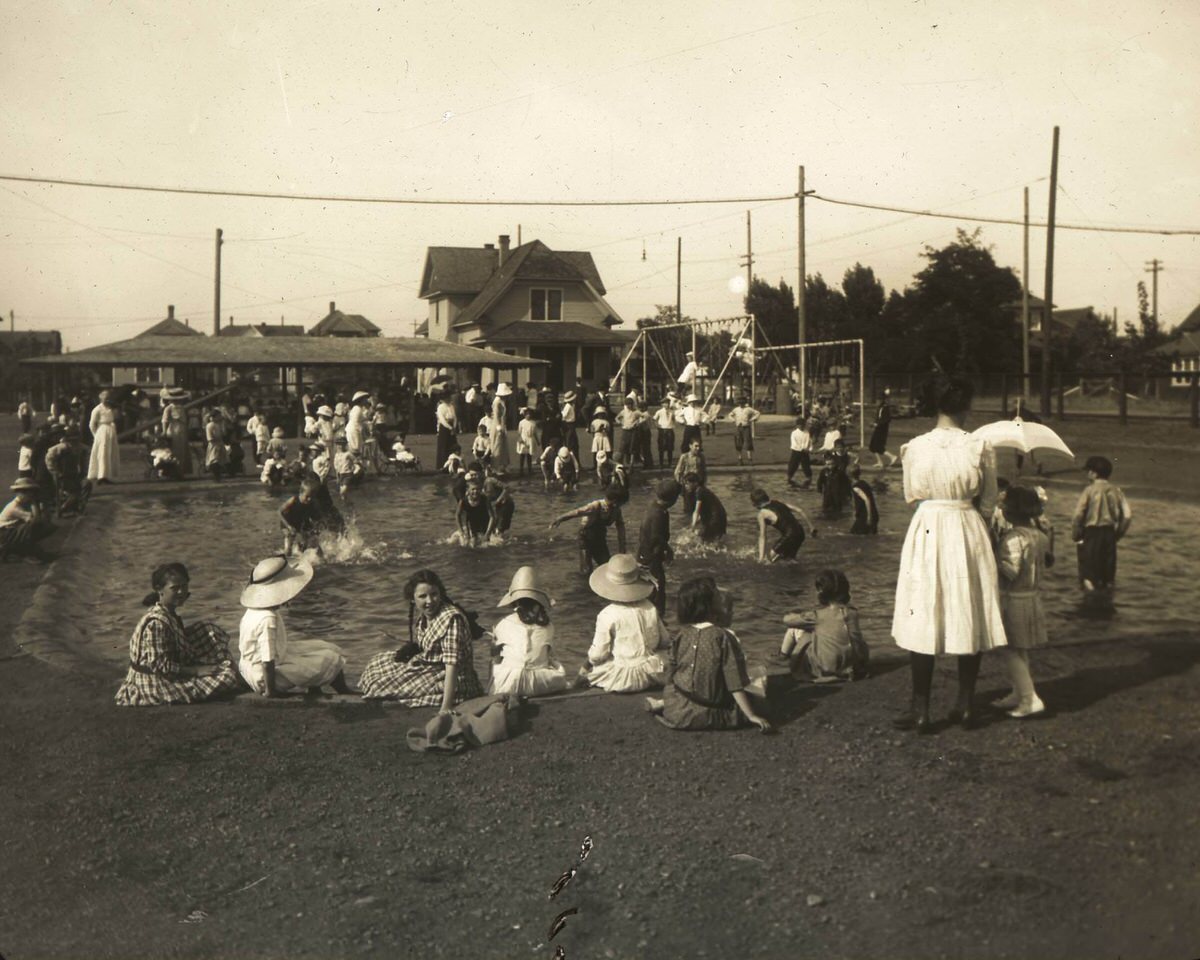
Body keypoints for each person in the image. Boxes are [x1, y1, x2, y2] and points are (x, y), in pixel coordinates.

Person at [891, 377, 1007, 734]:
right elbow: (988, 502)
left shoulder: (914, 447)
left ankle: (921, 709)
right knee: (967, 607)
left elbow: (912, 495)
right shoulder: (980, 445)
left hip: (929, 526)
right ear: (965, 406)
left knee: (923, 609)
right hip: (966, 525)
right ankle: (966, 703)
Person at [646, 575, 771, 732]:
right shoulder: (723, 636)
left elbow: (671, 672)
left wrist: (669, 699)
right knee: (760, 693)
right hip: (709, 712)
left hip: (678, 711)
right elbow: (734, 683)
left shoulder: (682, 634)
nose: (720, 597)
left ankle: (662, 704)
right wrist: (751, 715)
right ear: (708, 606)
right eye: (717, 596)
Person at [114, 563, 241, 706]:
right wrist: (196, 671)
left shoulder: (167, 612)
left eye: (184, 586)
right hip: (153, 681)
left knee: (207, 629)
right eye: (175, 588)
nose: (181, 592)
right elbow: (160, 666)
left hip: (161, 670)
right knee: (228, 676)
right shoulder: (156, 623)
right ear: (159, 590)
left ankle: (225, 668)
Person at [359, 569, 485, 707]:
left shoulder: (452, 620)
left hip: (456, 680)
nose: (430, 601)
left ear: (441, 594)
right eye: (423, 596)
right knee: (377, 663)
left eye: (434, 594)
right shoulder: (426, 616)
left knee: (380, 687)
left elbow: (452, 665)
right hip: (433, 667)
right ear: (412, 598)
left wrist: (446, 707)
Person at [238, 556, 351, 696]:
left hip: (249, 667)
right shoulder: (268, 618)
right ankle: (342, 691)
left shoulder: (253, 610)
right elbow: (267, 660)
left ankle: (316, 688)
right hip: (263, 677)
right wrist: (270, 691)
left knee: (325, 646)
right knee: (330, 657)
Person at [994, 485, 1053, 718]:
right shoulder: (1040, 536)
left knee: (1009, 649)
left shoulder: (1013, 538)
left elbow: (1010, 571)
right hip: (1032, 597)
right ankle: (1018, 692)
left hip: (1014, 599)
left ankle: (1029, 698)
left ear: (1011, 512)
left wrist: (991, 556)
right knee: (1021, 649)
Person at [579, 554, 669, 693]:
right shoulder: (650, 607)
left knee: (596, 667)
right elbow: (665, 641)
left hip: (623, 678)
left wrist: (586, 666)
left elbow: (598, 655)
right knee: (660, 655)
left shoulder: (607, 614)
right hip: (651, 674)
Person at [488, 567, 569, 697]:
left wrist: (493, 645)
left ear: (515, 601)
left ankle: (490, 694)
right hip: (540, 683)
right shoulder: (549, 626)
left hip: (509, 684)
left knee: (494, 661)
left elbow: (495, 656)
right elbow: (547, 655)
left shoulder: (503, 623)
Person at [779, 570, 869, 683]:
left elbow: (787, 620)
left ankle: (782, 658)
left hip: (827, 667)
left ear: (821, 592)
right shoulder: (853, 613)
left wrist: (798, 614)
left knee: (796, 630)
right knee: (849, 635)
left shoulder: (817, 615)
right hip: (856, 666)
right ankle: (850, 665)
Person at [1070, 455, 1132, 594]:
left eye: (1088, 471)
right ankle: (1105, 601)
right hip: (1109, 533)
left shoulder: (1089, 490)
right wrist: (1118, 535)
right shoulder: (1117, 490)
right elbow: (1127, 516)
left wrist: (1075, 533)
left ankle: (1090, 601)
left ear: (1093, 473)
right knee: (1107, 574)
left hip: (1091, 533)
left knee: (1088, 573)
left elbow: (1078, 515)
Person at [550, 487, 628, 574]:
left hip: (600, 539)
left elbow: (621, 527)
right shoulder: (596, 506)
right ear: (615, 502)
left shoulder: (616, 511)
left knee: (607, 566)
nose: (621, 505)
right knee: (586, 570)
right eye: (622, 503)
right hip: (585, 538)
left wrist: (622, 547)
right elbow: (577, 512)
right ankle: (583, 584)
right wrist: (560, 518)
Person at [638, 479, 679, 618]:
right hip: (651, 557)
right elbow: (656, 538)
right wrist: (665, 552)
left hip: (645, 555)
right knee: (657, 590)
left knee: (652, 589)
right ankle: (658, 619)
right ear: (673, 499)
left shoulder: (654, 507)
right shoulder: (659, 514)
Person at [280, 476, 343, 555]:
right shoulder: (293, 500)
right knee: (289, 536)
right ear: (301, 492)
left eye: (312, 497)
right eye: (307, 496)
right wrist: (288, 526)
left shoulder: (313, 503)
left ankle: (321, 558)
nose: (309, 499)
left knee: (314, 541)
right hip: (288, 522)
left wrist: (321, 526)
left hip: (301, 522)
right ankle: (287, 555)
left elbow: (318, 518)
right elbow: (280, 512)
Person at [751, 487, 816, 563]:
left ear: (754, 503)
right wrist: (811, 527)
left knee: (769, 560)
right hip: (801, 533)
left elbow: (762, 536)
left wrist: (761, 558)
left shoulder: (762, 514)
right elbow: (800, 510)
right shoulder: (777, 502)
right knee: (790, 559)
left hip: (790, 535)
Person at [0, 478, 54, 562]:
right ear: (21, 493)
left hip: (9, 532)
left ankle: (23, 551)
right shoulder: (14, 507)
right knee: (32, 527)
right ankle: (24, 552)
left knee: (40, 527)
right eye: (29, 493)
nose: (31, 495)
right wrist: (34, 504)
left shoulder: (21, 504)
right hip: (4, 534)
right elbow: (36, 521)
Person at [87, 390, 120, 484]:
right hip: (102, 431)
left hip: (111, 430)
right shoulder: (97, 409)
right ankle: (101, 475)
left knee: (110, 453)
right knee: (103, 453)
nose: (107, 400)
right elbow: (91, 424)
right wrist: (96, 435)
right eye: (105, 398)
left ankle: (107, 475)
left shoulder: (110, 408)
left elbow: (115, 417)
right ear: (100, 398)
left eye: (108, 398)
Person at [683, 473, 726, 543]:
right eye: (685, 484)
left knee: (704, 538)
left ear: (695, 483)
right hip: (717, 516)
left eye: (687, 484)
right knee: (710, 540)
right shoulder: (700, 490)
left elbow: (696, 511)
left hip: (716, 517)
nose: (686, 486)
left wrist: (692, 527)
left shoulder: (699, 491)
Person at [819, 438, 853, 519]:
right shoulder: (824, 471)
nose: (829, 466)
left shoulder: (839, 472)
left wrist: (848, 493)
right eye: (828, 464)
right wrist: (819, 489)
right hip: (828, 493)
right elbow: (820, 481)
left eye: (831, 464)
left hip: (838, 491)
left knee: (838, 508)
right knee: (825, 508)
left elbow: (847, 483)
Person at [673, 439, 707, 516]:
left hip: (698, 484)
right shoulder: (684, 457)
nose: (698, 448)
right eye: (696, 446)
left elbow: (704, 471)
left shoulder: (701, 457)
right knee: (688, 507)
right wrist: (681, 484)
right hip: (688, 485)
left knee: (699, 507)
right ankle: (687, 521)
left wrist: (704, 484)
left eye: (699, 446)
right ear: (690, 446)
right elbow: (677, 472)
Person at [457, 480, 496, 546]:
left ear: (480, 490)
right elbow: (457, 515)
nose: (475, 491)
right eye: (473, 489)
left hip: (484, 524)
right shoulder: (463, 501)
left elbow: (492, 517)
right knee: (468, 544)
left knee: (486, 544)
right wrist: (461, 531)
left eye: (477, 489)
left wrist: (487, 534)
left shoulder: (485, 500)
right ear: (468, 490)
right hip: (471, 525)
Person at [866, 389, 898, 469]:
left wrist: (876, 424)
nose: (877, 401)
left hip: (882, 429)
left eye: (879, 399)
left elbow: (886, 419)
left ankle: (892, 457)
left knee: (878, 446)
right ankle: (880, 462)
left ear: (882, 400)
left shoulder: (885, 407)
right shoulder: (880, 407)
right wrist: (874, 423)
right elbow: (879, 418)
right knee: (872, 446)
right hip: (878, 428)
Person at [729, 396, 760, 466]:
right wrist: (733, 420)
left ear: (744, 403)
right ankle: (740, 459)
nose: (741, 404)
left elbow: (757, 413)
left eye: (742, 403)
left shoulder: (748, 409)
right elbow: (730, 415)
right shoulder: (736, 409)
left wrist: (752, 419)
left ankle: (750, 459)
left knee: (748, 443)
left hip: (746, 427)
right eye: (739, 403)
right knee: (738, 443)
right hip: (738, 427)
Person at [849, 466, 879, 535]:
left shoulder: (856, 487)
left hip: (865, 515)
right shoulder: (864, 483)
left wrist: (869, 516)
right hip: (874, 513)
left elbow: (867, 500)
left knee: (854, 534)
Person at [786, 416, 815, 489]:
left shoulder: (807, 432)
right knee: (793, 464)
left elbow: (810, 442)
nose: (801, 426)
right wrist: (801, 449)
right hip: (796, 451)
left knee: (806, 465)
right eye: (799, 425)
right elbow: (794, 443)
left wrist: (810, 449)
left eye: (802, 424)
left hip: (805, 452)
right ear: (797, 425)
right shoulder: (794, 433)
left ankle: (809, 478)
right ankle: (789, 477)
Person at [435, 389, 459, 472]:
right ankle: (443, 465)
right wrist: (449, 427)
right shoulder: (441, 407)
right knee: (444, 447)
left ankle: (453, 464)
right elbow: (442, 420)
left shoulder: (451, 406)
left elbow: (455, 417)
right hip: (445, 428)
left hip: (452, 425)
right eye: (447, 398)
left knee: (452, 446)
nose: (449, 399)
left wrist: (454, 427)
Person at [490, 382, 512, 471]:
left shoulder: (501, 401)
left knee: (502, 446)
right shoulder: (497, 402)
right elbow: (496, 416)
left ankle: (502, 465)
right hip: (497, 426)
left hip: (502, 425)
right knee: (497, 446)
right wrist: (499, 428)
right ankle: (496, 466)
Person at [615, 396, 640, 466]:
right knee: (623, 447)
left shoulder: (636, 411)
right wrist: (620, 422)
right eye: (627, 404)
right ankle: (621, 463)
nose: (629, 406)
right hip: (625, 431)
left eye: (630, 404)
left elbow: (643, 417)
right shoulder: (623, 412)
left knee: (632, 448)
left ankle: (631, 464)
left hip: (633, 431)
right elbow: (617, 418)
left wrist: (637, 423)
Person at [516, 407, 540, 477]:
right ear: (524, 415)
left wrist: (538, 441)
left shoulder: (533, 422)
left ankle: (530, 470)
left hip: (530, 440)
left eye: (529, 414)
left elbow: (535, 433)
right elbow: (519, 432)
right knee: (522, 455)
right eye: (527, 414)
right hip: (523, 439)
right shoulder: (521, 422)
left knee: (529, 455)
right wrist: (520, 439)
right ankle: (521, 470)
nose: (528, 415)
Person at [203, 410, 227, 480]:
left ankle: (218, 475)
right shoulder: (210, 425)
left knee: (219, 459)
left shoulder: (218, 425)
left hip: (219, 443)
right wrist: (216, 439)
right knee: (214, 459)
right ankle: (216, 475)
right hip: (214, 444)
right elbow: (210, 437)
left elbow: (223, 434)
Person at [345, 390, 370, 456]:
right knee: (356, 448)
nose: (366, 401)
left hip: (355, 429)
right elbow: (357, 422)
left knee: (357, 447)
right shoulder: (357, 409)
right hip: (354, 430)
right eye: (365, 399)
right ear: (361, 400)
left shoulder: (358, 409)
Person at [654, 397, 677, 468]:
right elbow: (655, 419)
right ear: (662, 404)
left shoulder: (672, 412)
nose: (666, 405)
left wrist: (672, 424)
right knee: (661, 447)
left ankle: (670, 463)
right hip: (662, 430)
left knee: (670, 447)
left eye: (667, 403)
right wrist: (657, 426)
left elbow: (674, 419)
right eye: (664, 403)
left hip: (670, 430)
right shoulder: (659, 412)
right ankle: (661, 463)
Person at [560, 389, 580, 460]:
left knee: (574, 444)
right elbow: (563, 416)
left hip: (572, 425)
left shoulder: (571, 405)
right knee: (570, 443)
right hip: (569, 425)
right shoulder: (568, 406)